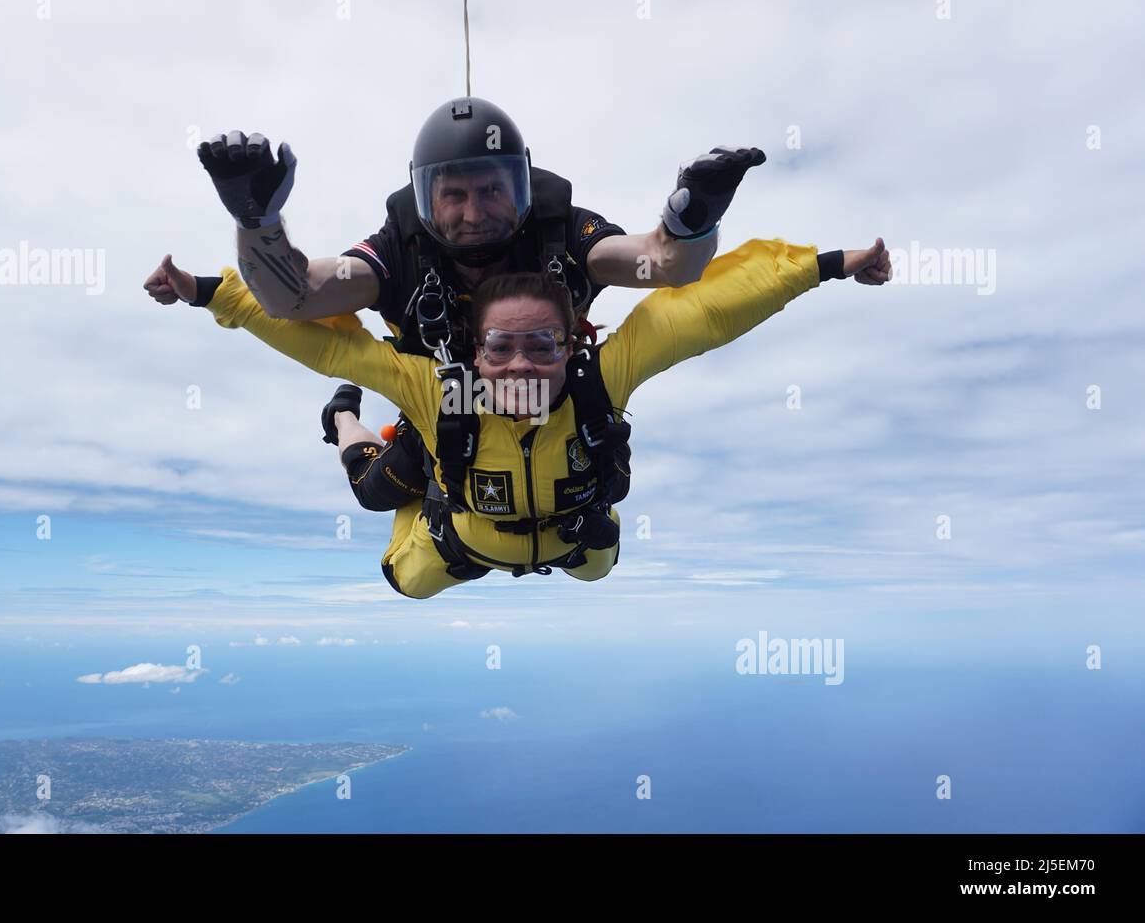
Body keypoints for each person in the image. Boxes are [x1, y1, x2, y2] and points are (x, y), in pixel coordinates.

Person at [149, 235, 892, 599]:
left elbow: (703, 314)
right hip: (457, 540)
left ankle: (393, 454)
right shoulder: (442, 392)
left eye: (543, 344)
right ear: (476, 348)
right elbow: (321, 345)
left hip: (571, 541)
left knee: (600, 564)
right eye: (501, 347)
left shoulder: (600, 381)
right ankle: (344, 428)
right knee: (381, 515)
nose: (522, 365)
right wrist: (210, 291)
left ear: (574, 343)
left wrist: (824, 264)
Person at [146, 97, 767, 515]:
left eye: (494, 189)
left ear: (523, 185)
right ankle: (342, 419)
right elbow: (298, 295)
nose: (475, 214)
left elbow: (662, 265)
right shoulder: (399, 252)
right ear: (424, 200)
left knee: (593, 497)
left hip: (551, 400)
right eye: (455, 195)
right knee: (379, 491)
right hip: (445, 403)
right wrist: (257, 221)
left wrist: (692, 218)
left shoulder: (563, 235)